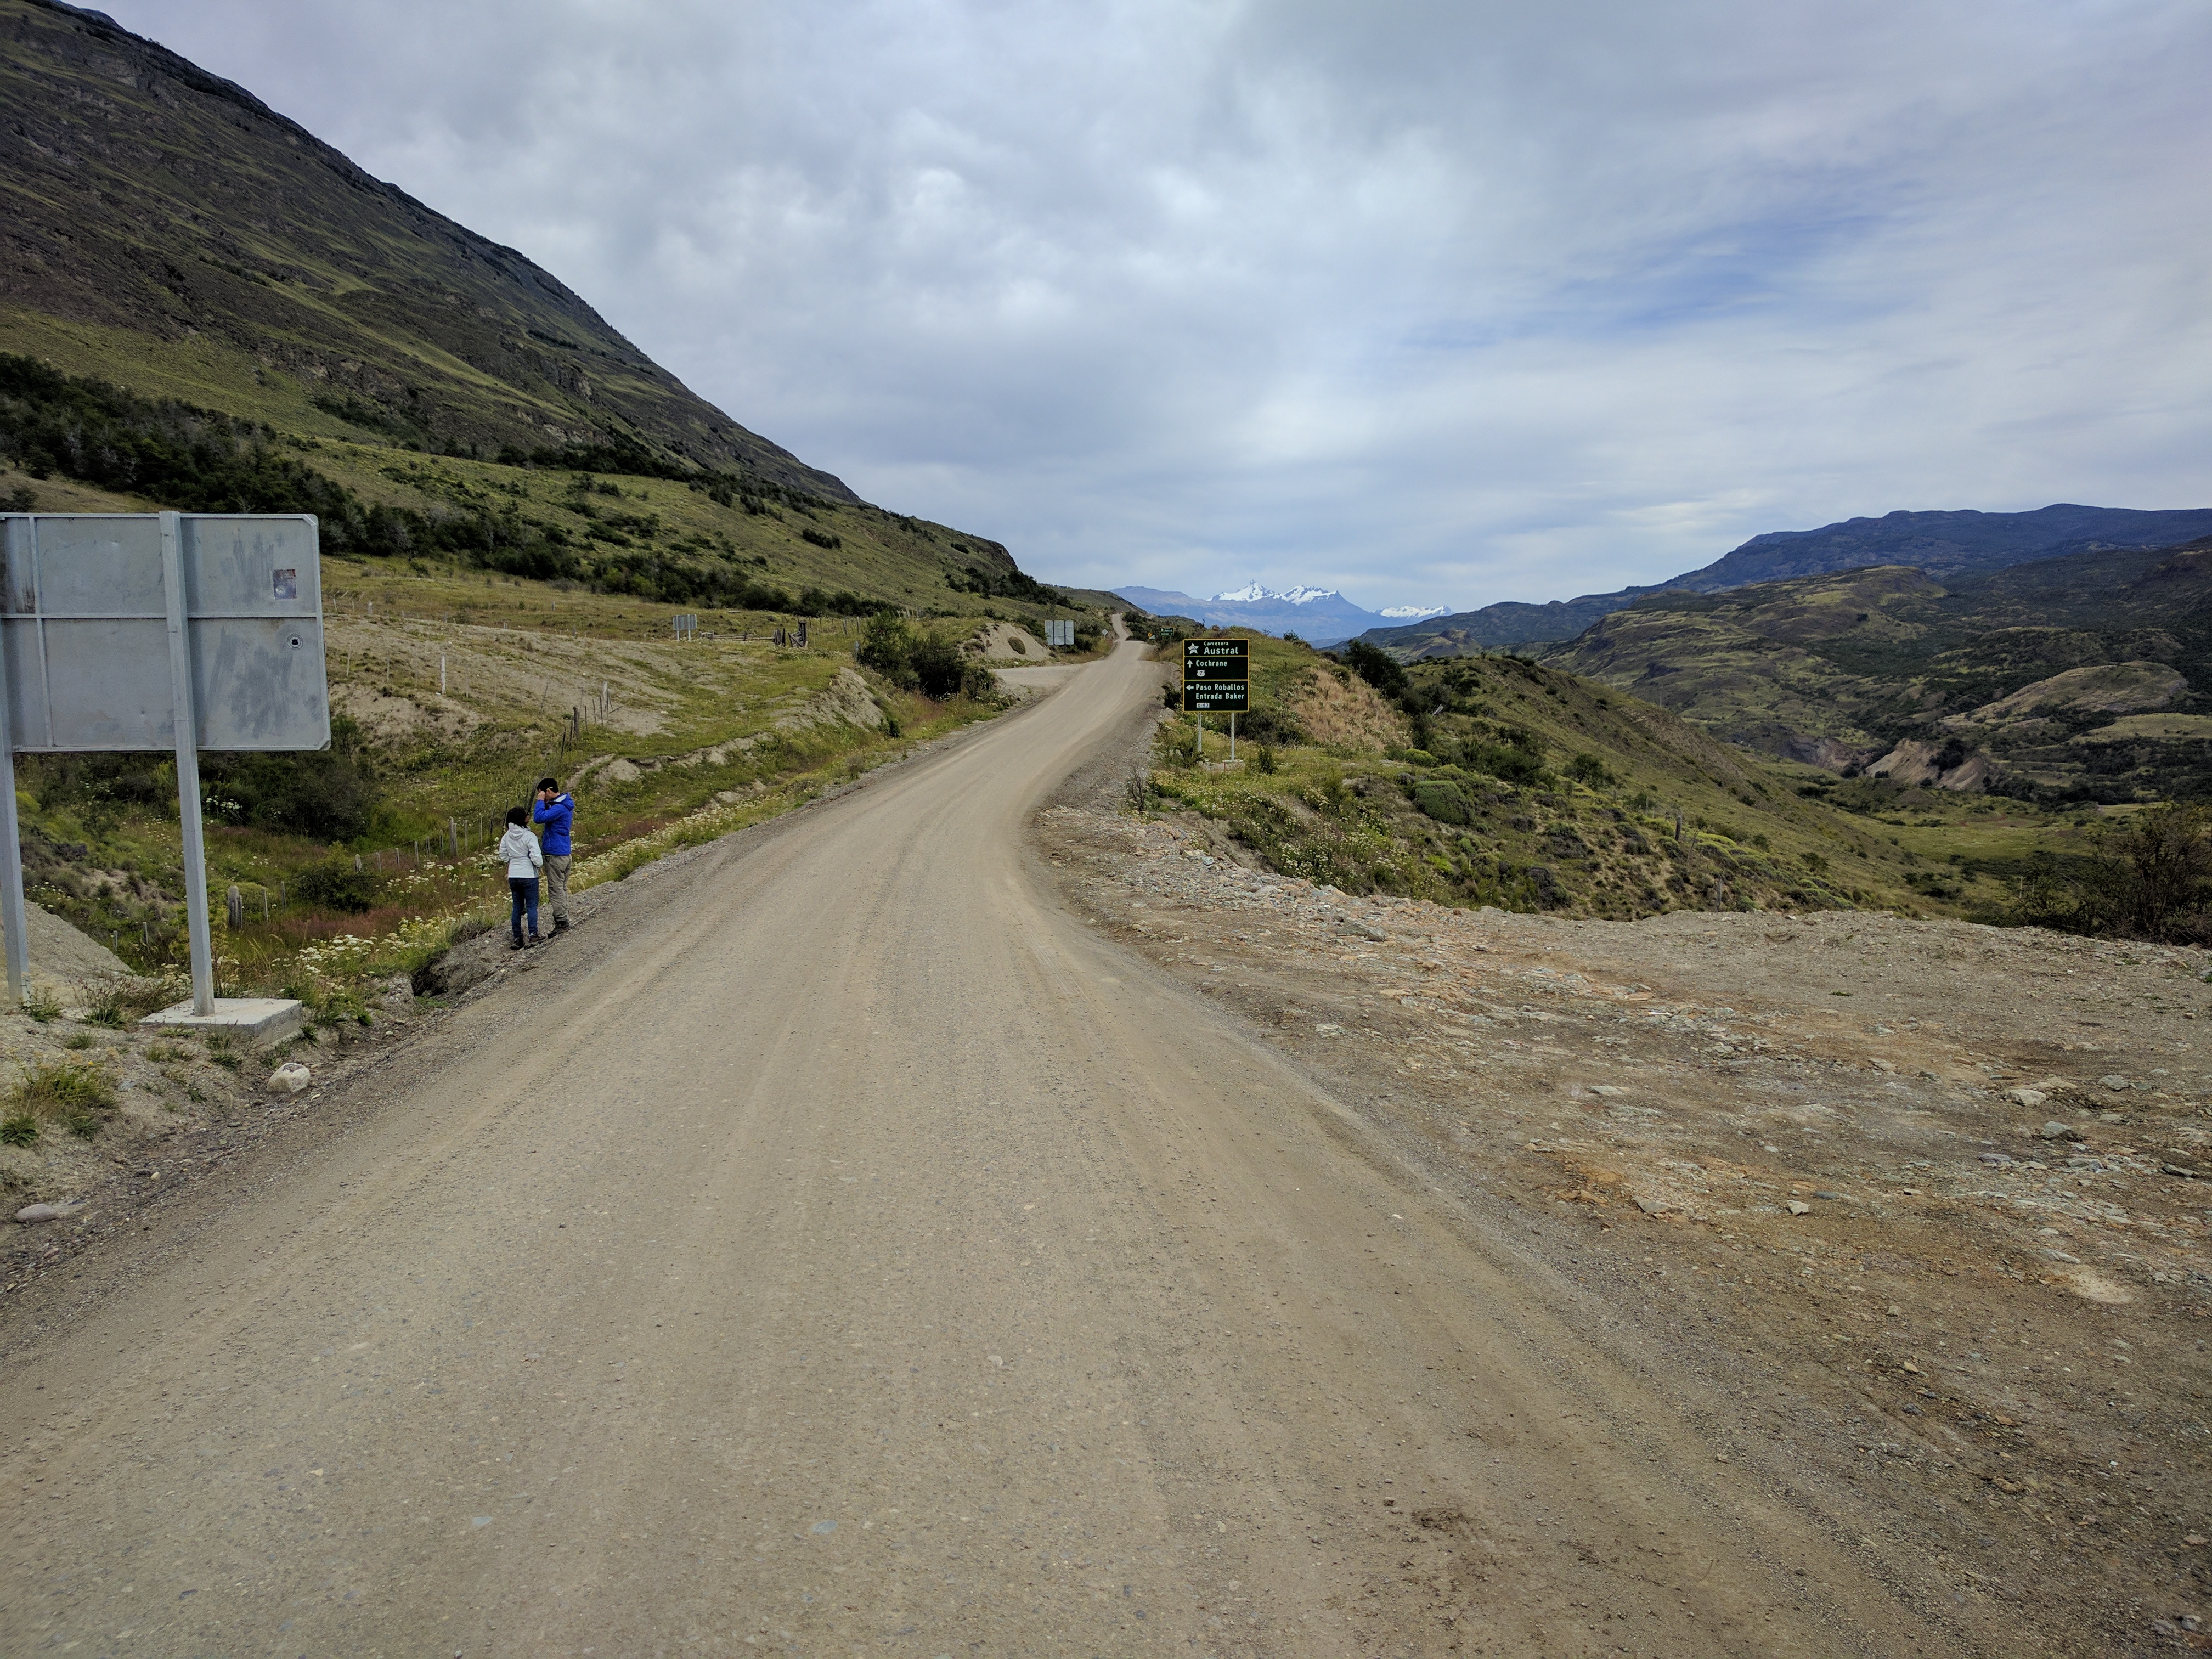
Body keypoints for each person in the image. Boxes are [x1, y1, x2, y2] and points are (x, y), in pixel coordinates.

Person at [533, 775, 575, 933]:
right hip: (565, 852)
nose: (542, 798)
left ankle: (562, 922)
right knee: (562, 888)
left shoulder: (559, 808)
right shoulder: (564, 805)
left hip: (556, 855)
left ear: (549, 791)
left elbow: (538, 818)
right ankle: (563, 917)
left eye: (543, 794)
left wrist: (539, 802)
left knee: (556, 888)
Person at [498, 805, 544, 949]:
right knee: (531, 906)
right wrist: (536, 863)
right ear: (522, 819)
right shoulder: (529, 836)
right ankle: (533, 935)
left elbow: (503, 855)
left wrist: (514, 860)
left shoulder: (506, 837)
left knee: (517, 907)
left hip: (514, 874)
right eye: (526, 815)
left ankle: (518, 938)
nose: (528, 817)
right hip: (529, 874)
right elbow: (537, 858)